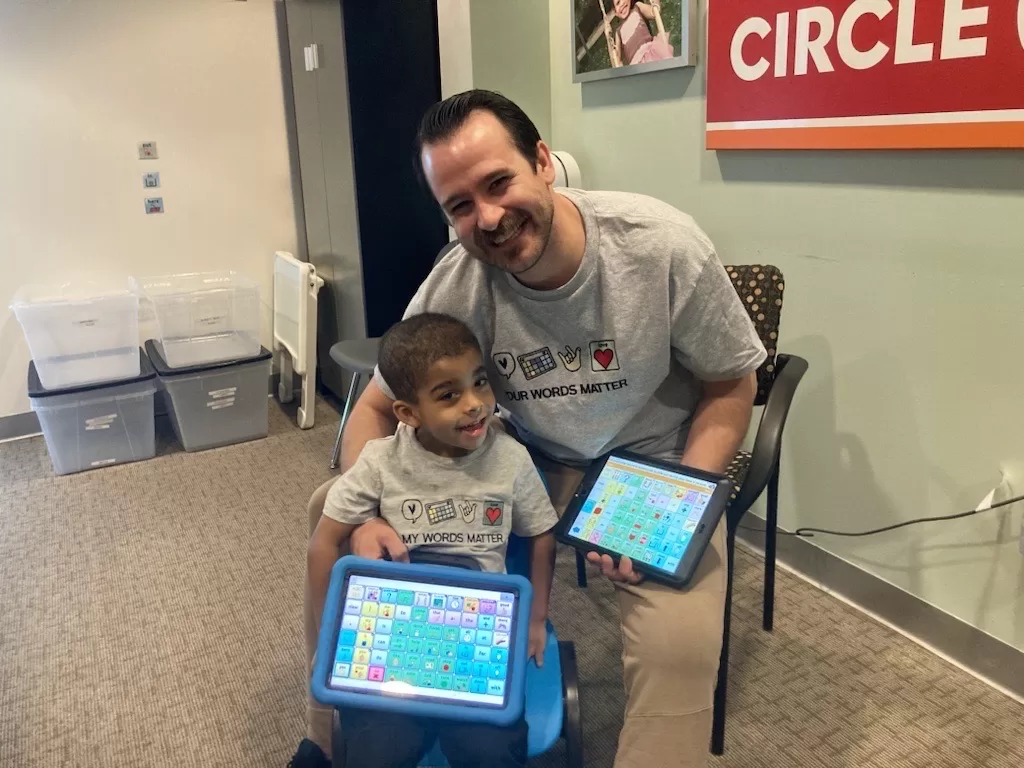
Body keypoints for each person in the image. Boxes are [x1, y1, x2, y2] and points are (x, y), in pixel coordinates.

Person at [295, 89, 766, 768]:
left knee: (680, 644)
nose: (487, 218)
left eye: (498, 183)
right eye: (460, 205)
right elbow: (376, 405)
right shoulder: (460, 278)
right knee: (329, 515)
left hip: (649, 468)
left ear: (543, 162)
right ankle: (330, 733)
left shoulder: (661, 247)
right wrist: (368, 510)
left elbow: (733, 383)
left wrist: (673, 509)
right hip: (523, 458)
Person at [302, 312, 558, 768]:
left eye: (480, 382)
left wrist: (536, 619)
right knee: (380, 747)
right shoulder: (381, 460)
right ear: (407, 412)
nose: (476, 404)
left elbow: (540, 534)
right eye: (449, 395)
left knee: (489, 749)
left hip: (478, 626)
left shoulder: (511, 459)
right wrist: (331, 630)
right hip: (398, 625)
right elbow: (325, 540)